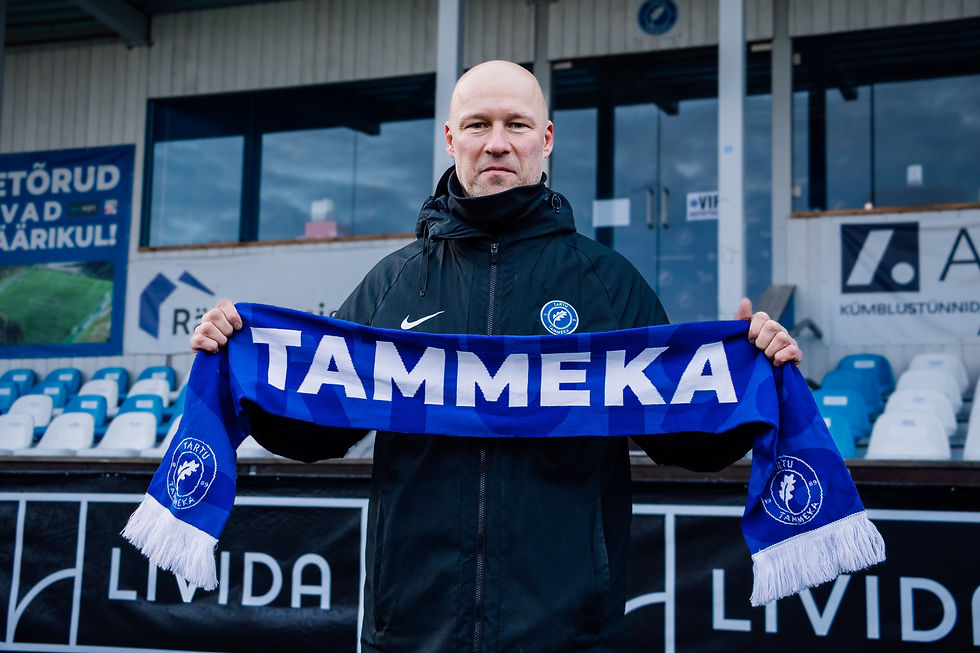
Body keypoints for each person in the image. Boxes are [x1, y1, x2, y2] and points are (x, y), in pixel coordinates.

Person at [192, 60, 801, 652]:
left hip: (568, 631)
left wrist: (750, 375)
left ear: (547, 139)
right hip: (410, 627)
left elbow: (680, 440)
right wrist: (237, 355)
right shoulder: (394, 283)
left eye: (516, 124)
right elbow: (319, 430)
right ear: (451, 139)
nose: (497, 144)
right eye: (479, 125)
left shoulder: (607, 283)